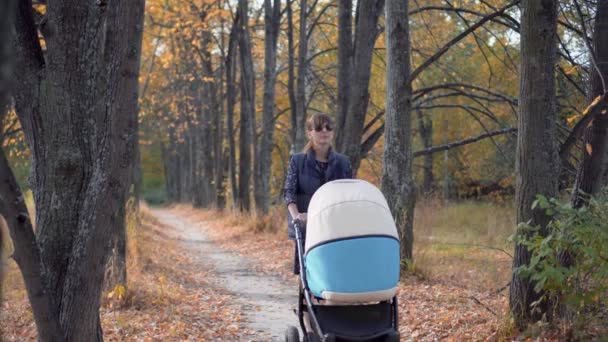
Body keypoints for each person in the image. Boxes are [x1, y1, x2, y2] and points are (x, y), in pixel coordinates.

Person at [284, 113, 353, 274]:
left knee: (334, 268)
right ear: (310, 133)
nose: (324, 131)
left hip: (334, 223)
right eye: (319, 128)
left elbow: (349, 194)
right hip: (306, 223)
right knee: (309, 268)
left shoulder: (343, 163)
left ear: (333, 132)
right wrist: (297, 216)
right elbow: (289, 193)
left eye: (328, 128)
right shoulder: (297, 161)